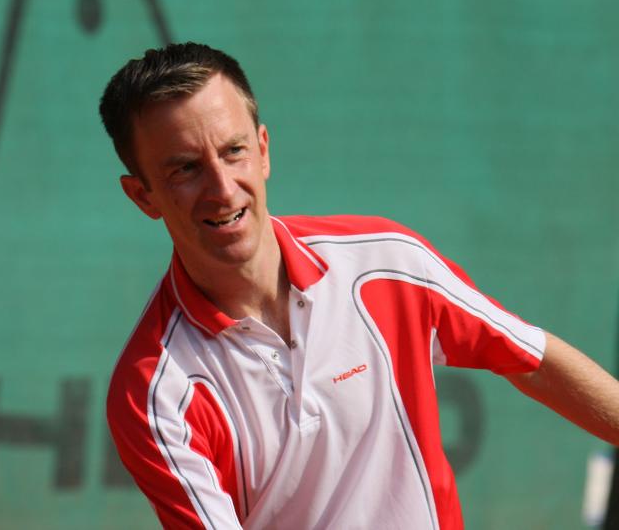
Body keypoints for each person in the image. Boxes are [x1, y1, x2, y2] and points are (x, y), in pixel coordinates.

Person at [98, 42, 619, 530]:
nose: (222, 187)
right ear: (143, 197)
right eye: (186, 169)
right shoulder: (154, 394)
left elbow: (534, 362)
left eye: (234, 151)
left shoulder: (385, 261)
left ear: (263, 150)